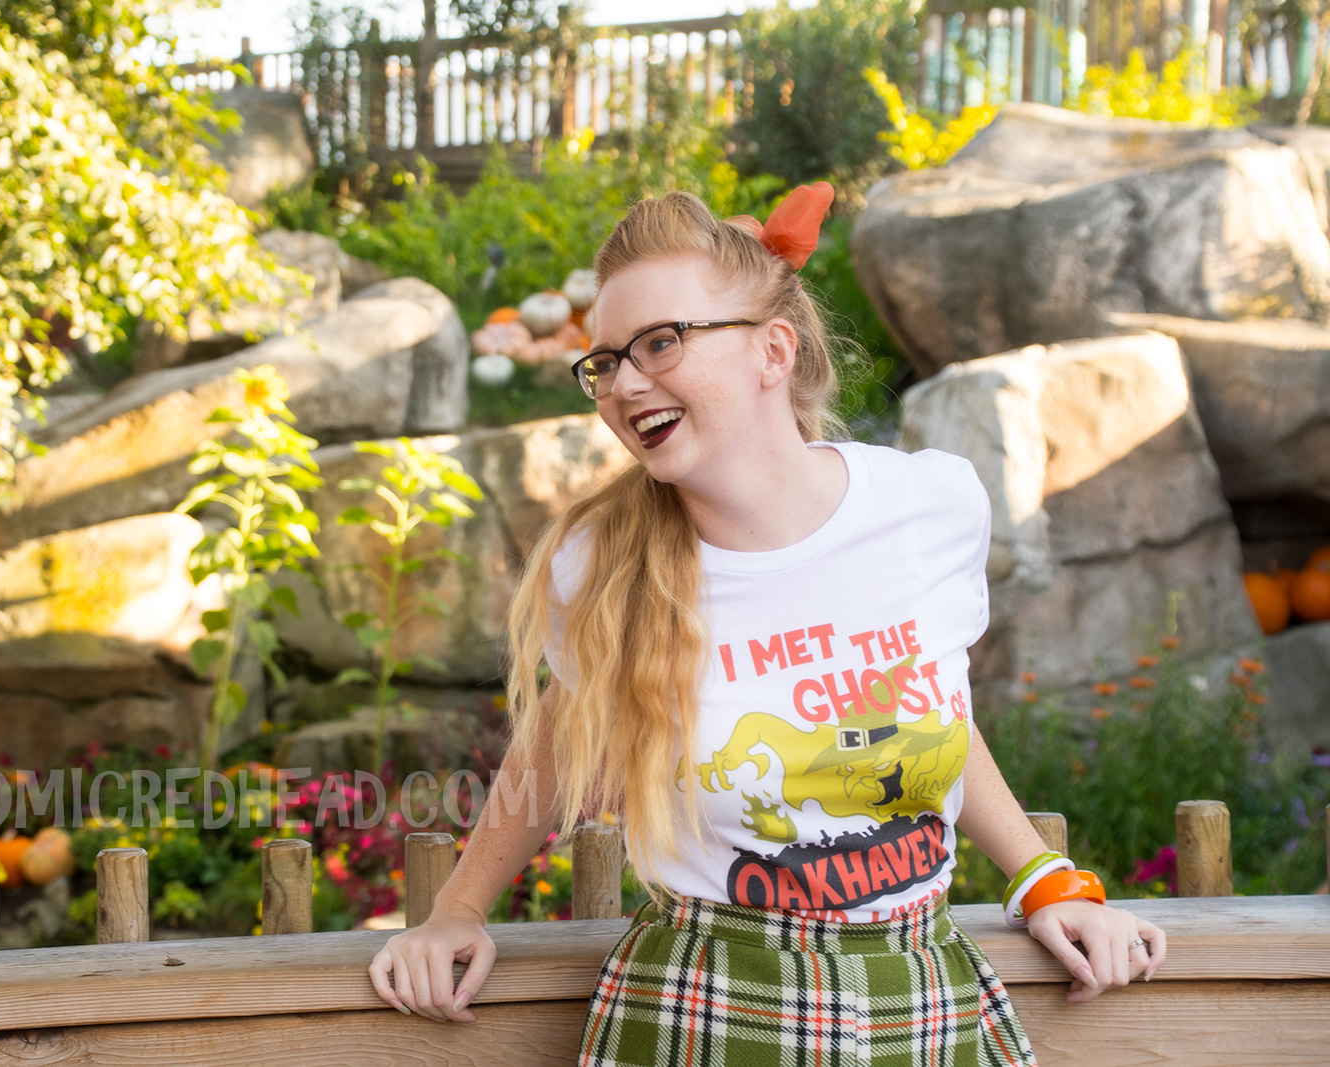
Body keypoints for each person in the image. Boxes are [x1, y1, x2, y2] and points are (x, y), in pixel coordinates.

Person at [368, 184, 1167, 1064]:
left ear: (773, 350)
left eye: (661, 342)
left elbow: (930, 714)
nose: (626, 382)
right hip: (707, 1003)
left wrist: (1047, 878)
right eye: (604, 362)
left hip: (917, 990)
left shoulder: (925, 507)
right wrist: (456, 910)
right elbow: (558, 736)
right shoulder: (601, 563)